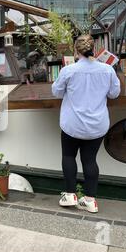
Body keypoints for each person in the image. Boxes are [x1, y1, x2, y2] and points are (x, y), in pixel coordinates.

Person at [52, 35, 121, 213]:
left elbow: (57, 92)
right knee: (90, 160)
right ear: (94, 50)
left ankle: (70, 195)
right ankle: (90, 200)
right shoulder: (107, 70)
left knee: (68, 156)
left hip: (72, 124)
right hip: (97, 125)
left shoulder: (68, 71)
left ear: (76, 51)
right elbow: (114, 94)